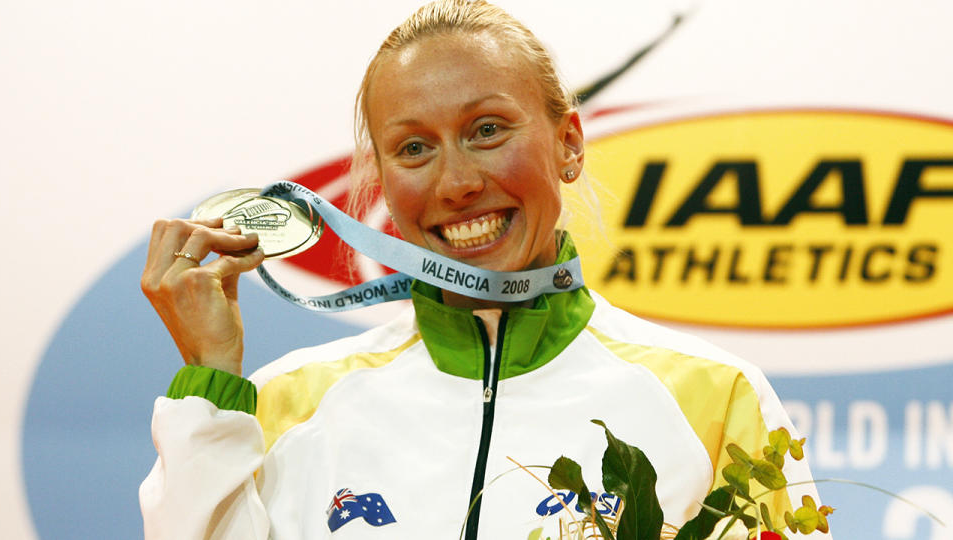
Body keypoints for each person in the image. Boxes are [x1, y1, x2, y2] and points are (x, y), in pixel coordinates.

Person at [139, 1, 829, 539]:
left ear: (569, 144)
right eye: (414, 148)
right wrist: (210, 379)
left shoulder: (713, 397)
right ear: (380, 179)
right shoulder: (285, 404)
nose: (457, 182)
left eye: (487, 130)